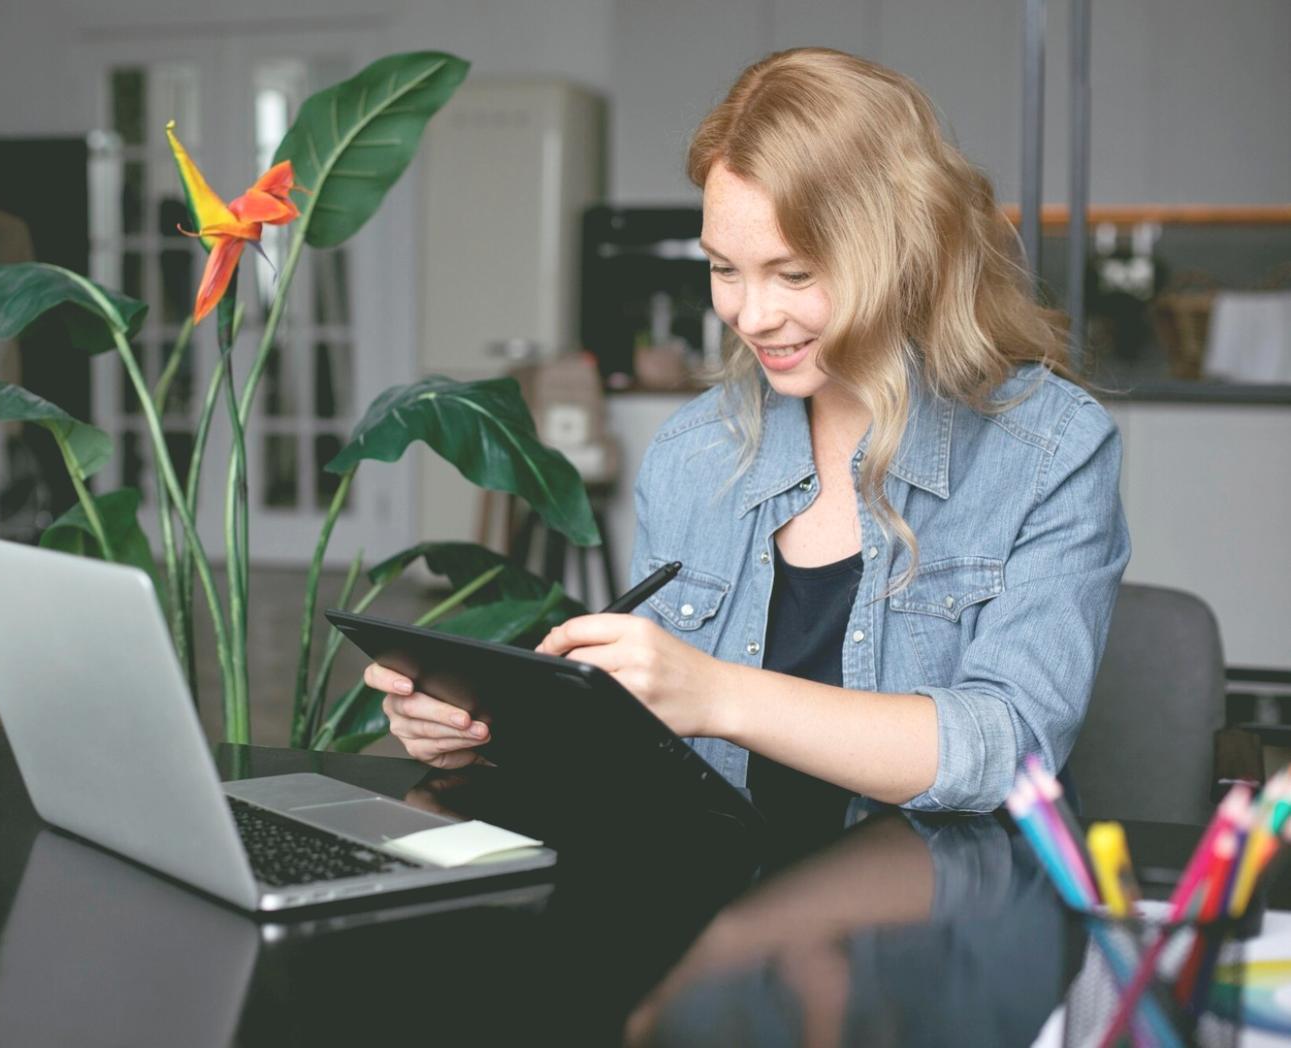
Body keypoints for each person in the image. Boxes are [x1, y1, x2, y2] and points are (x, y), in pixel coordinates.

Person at [365, 48, 1129, 832]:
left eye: (793, 274)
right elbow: (642, 748)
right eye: (724, 268)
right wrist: (488, 735)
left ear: (903, 253)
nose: (749, 314)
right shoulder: (694, 453)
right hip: (728, 906)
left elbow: (1008, 748)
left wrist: (718, 694)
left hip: (948, 919)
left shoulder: (1049, 449)